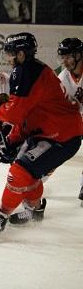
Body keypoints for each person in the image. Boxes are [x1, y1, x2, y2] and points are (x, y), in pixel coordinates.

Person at [0, 32, 83, 239]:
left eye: (10, 54)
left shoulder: (28, 72)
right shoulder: (31, 70)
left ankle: (1, 216)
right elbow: (29, 113)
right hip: (49, 130)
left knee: (19, 172)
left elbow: (16, 112)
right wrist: (15, 138)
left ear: (21, 53)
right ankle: (35, 210)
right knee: (25, 171)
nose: (7, 59)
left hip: (62, 135)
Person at [56, 37, 83, 204]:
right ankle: (38, 178)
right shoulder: (63, 77)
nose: (64, 61)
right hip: (75, 118)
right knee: (55, 147)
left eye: (68, 57)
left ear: (79, 55)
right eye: (63, 57)